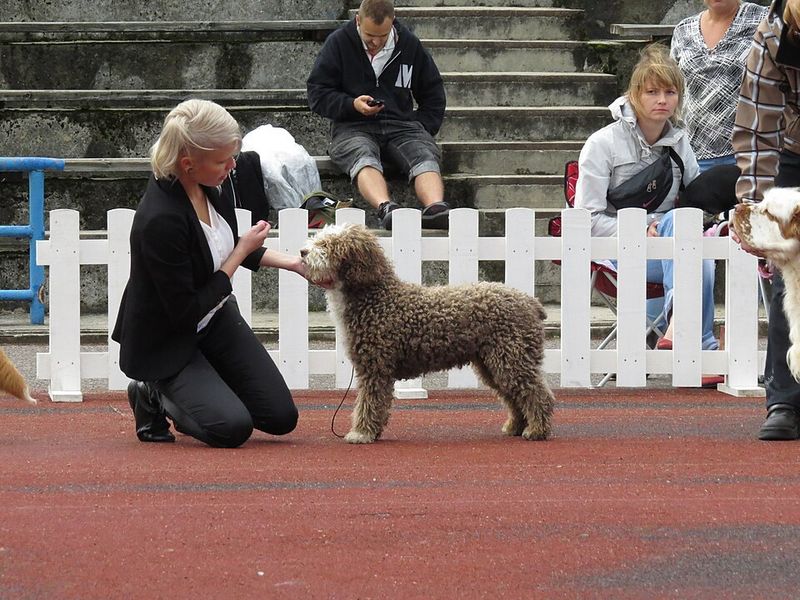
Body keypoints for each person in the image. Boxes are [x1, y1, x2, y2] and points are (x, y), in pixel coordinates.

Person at [112, 99, 305, 448]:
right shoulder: (160, 221)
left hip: (214, 318)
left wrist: (295, 265)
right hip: (168, 337)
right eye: (223, 160)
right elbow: (189, 309)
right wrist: (241, 252)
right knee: (231, 429)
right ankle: (151, 393)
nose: (232, 166)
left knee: (281, 417)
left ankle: (206, 386)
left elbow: (225, 249)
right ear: (188, 164)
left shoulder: (209, 187)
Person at [574, 44, 722, 384]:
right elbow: (586, 219)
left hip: (673, 250)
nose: (662, 100)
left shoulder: (681, 144)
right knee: (682, 235)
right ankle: (700, 344)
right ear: (633, 94)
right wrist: (640, 228)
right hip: (617, 253)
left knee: (686, 230)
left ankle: (680, 329)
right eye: (652, 91)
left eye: (670, 92)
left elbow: (694, 201)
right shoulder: (602, 144)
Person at [306, 0, 450, 231]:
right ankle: (386, 207)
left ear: (393, 22)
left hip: (401, 125)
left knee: (423, 154)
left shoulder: (410, 45)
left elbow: (433, 92)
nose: (375, 42)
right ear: (358, 21)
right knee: (362, 156)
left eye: (382, 36)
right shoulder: (339, 43)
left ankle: (436, 208)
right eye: (369, 35)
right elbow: (317, 92)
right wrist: (351, 105)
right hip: (353, 125)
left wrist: (423, 127)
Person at [732, 0, 800, 440]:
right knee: (786, 276)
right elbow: (757, 130)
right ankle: (785, 401)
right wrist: (758, 226)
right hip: (797, 149)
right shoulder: (771, 37)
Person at [670, 0, 768, 172]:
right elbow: (672, 86)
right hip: (693, 155)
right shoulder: (683, 29)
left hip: (751, 154)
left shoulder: (763, 19)